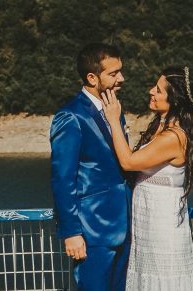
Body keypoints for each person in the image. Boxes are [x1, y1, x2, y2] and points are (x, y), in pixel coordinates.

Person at [101, 66, 193, 291]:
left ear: (174, 98)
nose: (151, 91)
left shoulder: (174, 136)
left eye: (158, 90)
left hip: (163, 228)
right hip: (148, 223)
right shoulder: (160, 125)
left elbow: (129, 162)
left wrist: (112, 119)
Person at [50, 43, 131, 291]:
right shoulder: (71, 116)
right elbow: (62, 179)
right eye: (114, 73)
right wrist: (72, 232)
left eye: (121, 71)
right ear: (92, 77)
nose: (122, 78)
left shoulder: (115, 110)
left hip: (124, 224)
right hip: (92, 230)